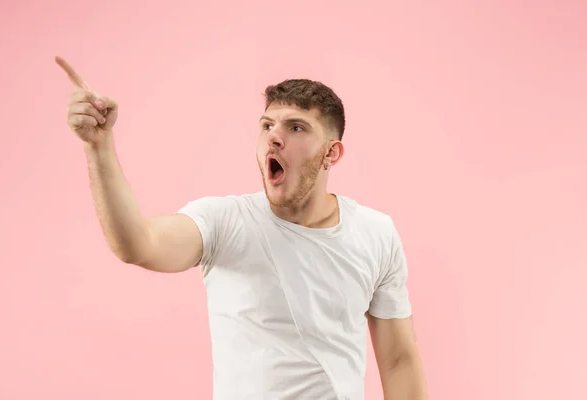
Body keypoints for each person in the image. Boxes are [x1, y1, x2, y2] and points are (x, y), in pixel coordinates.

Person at [55, 55, 428, 400]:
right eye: (267, 125)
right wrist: (99, 148)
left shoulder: (376, 233)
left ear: (331, 153)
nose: (274, 136)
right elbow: (138, 244)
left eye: (296, 127)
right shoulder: (224, 222)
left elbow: (398, 361)